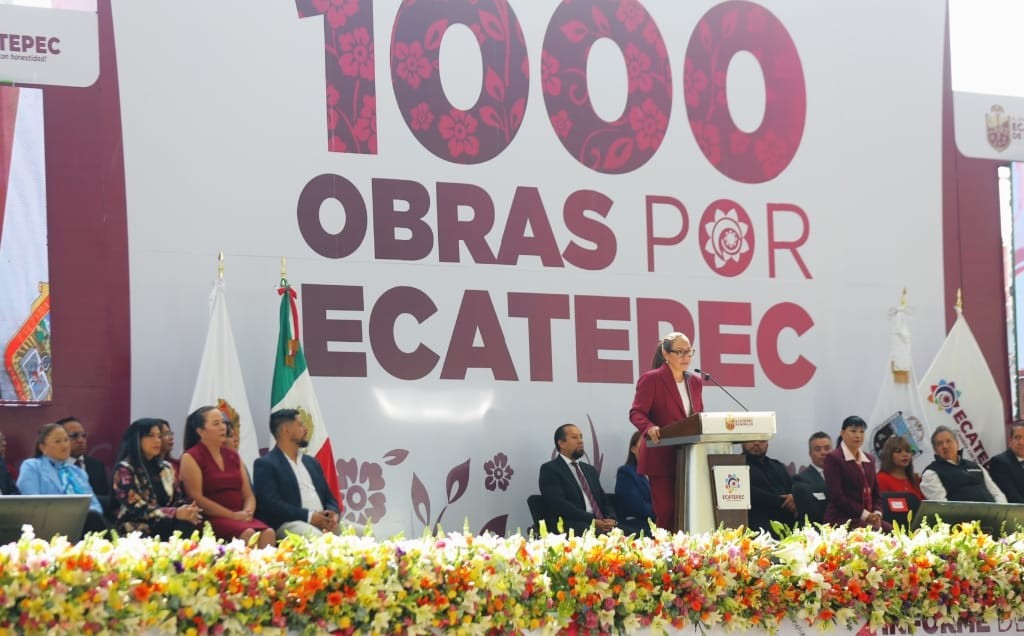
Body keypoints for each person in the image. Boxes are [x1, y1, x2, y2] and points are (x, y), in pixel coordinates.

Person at [628, 331, 703, 530]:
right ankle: (665, 549)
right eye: (680, 352)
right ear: (666, 353)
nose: (686, 357)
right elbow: (636, 412)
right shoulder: (651, 379)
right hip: (661, 455)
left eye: (689, 351)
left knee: (690, 511)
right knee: (667, 512)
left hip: (689, 457)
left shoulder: (695, 382)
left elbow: (697, 417)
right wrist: (649, 427)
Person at [179, 406, 275, 547]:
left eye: (222, 422)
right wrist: (232, 515)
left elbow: (248, 495)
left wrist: (247, 512)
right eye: (216, 424)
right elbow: (196, 498)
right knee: (248, 533)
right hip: (211, 517)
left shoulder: (233, 455)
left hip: (239, 515)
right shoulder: (190, 456)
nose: (222, 427)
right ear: (200, 431)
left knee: (269, 533)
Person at [253, 409, 340, 539]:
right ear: (286, 430)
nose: (306, 429)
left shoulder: (311, 462)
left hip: (324, 522)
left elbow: (329, 497)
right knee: (318, 539)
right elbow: (271, 505)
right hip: (290, 523)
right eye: (300, 425)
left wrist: (333, 514)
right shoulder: (265, 464)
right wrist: (309, 516)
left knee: (364, 533)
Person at [111, 418, 203, 538]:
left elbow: (177, 499)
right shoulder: (125, 469)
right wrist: (174, 513)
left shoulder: (166, 467)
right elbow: (136, 508)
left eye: (159, 436)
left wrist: (187, 509)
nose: (157, 441)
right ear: (137, 439)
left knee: (187, 523)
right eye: (151, 435)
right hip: (137, 526)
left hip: (165, 523)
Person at [16, 422, 109, 534]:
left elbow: (95, 505)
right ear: (42, 447)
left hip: (83, 525)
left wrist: (81, 518)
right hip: (48, 526)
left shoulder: (78, 472)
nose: (65, 445)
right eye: (58, 441)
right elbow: (32, 505)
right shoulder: (32, 467)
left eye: (66, 440)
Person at [538, 423, 617, 535]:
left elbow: (604, 500)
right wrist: (592, 520)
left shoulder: (590, 470)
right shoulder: (550, 469)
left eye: (581, 437)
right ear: (561, 443)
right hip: (572, 525)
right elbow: (559, 505)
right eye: (575, 437)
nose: (580, 441)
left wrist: (611, 518)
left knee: (634, 534)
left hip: (599, 523)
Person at [823, 416, 889, 531]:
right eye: (853, 431)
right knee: (876, 532)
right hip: (842, 519)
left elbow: (876, 494)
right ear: (843, 433)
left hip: (866, 519)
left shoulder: (870, 459)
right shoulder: (833, 458)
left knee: (893, 532)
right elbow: (837, 497)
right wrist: (865, 515)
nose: (858, 435)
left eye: (862, 432)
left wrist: (877, 513)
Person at [920, 425, 1006, 503]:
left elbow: (997, 494)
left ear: (957, 443)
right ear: (935, 450)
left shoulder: (976, 466)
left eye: (948, 441)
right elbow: (942, 506)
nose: (945, 446)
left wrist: (1000, 511)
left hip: (994, 513)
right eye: (940, 444)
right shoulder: (931, 473)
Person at [58, 416, 113, 515]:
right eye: (74, 436)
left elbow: (105, 500)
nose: (81, 440)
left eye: (83, 435)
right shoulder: (53, 466)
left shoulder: (96, 465)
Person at [742, 440, 795, 536]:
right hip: (755, 534)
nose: (756, 443)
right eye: (752, 439)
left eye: (761, 439)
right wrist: (781, 501)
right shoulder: (735, 466)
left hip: (786, 531)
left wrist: (793, 497)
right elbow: (750, 493)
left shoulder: (777, 466)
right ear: (743, 442)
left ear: (767, 443)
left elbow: (792, 489)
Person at [614, 430, 655, 536]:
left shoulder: (659, 474)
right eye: (644, 445)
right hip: (638, 527)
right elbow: (636, 506)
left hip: (658, 525)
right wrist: (661, 511)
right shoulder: (626, 473)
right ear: (633, 449)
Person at [792, 431, 831, 525]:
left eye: (827, 448)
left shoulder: (842, 475)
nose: (823, 453)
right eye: (818, 449)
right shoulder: (801, 480)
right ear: (810, 453)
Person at [876, 435, 925, 500]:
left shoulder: (916, 479)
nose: (905, 454)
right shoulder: (881, 479)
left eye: (908, 451)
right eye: (898, 451)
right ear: (889, 454)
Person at [986, 421, 1024, 503]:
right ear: (1010, 441)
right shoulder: (999, 462)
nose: (1021, 442)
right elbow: (1011, 496)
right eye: (1017, 437)